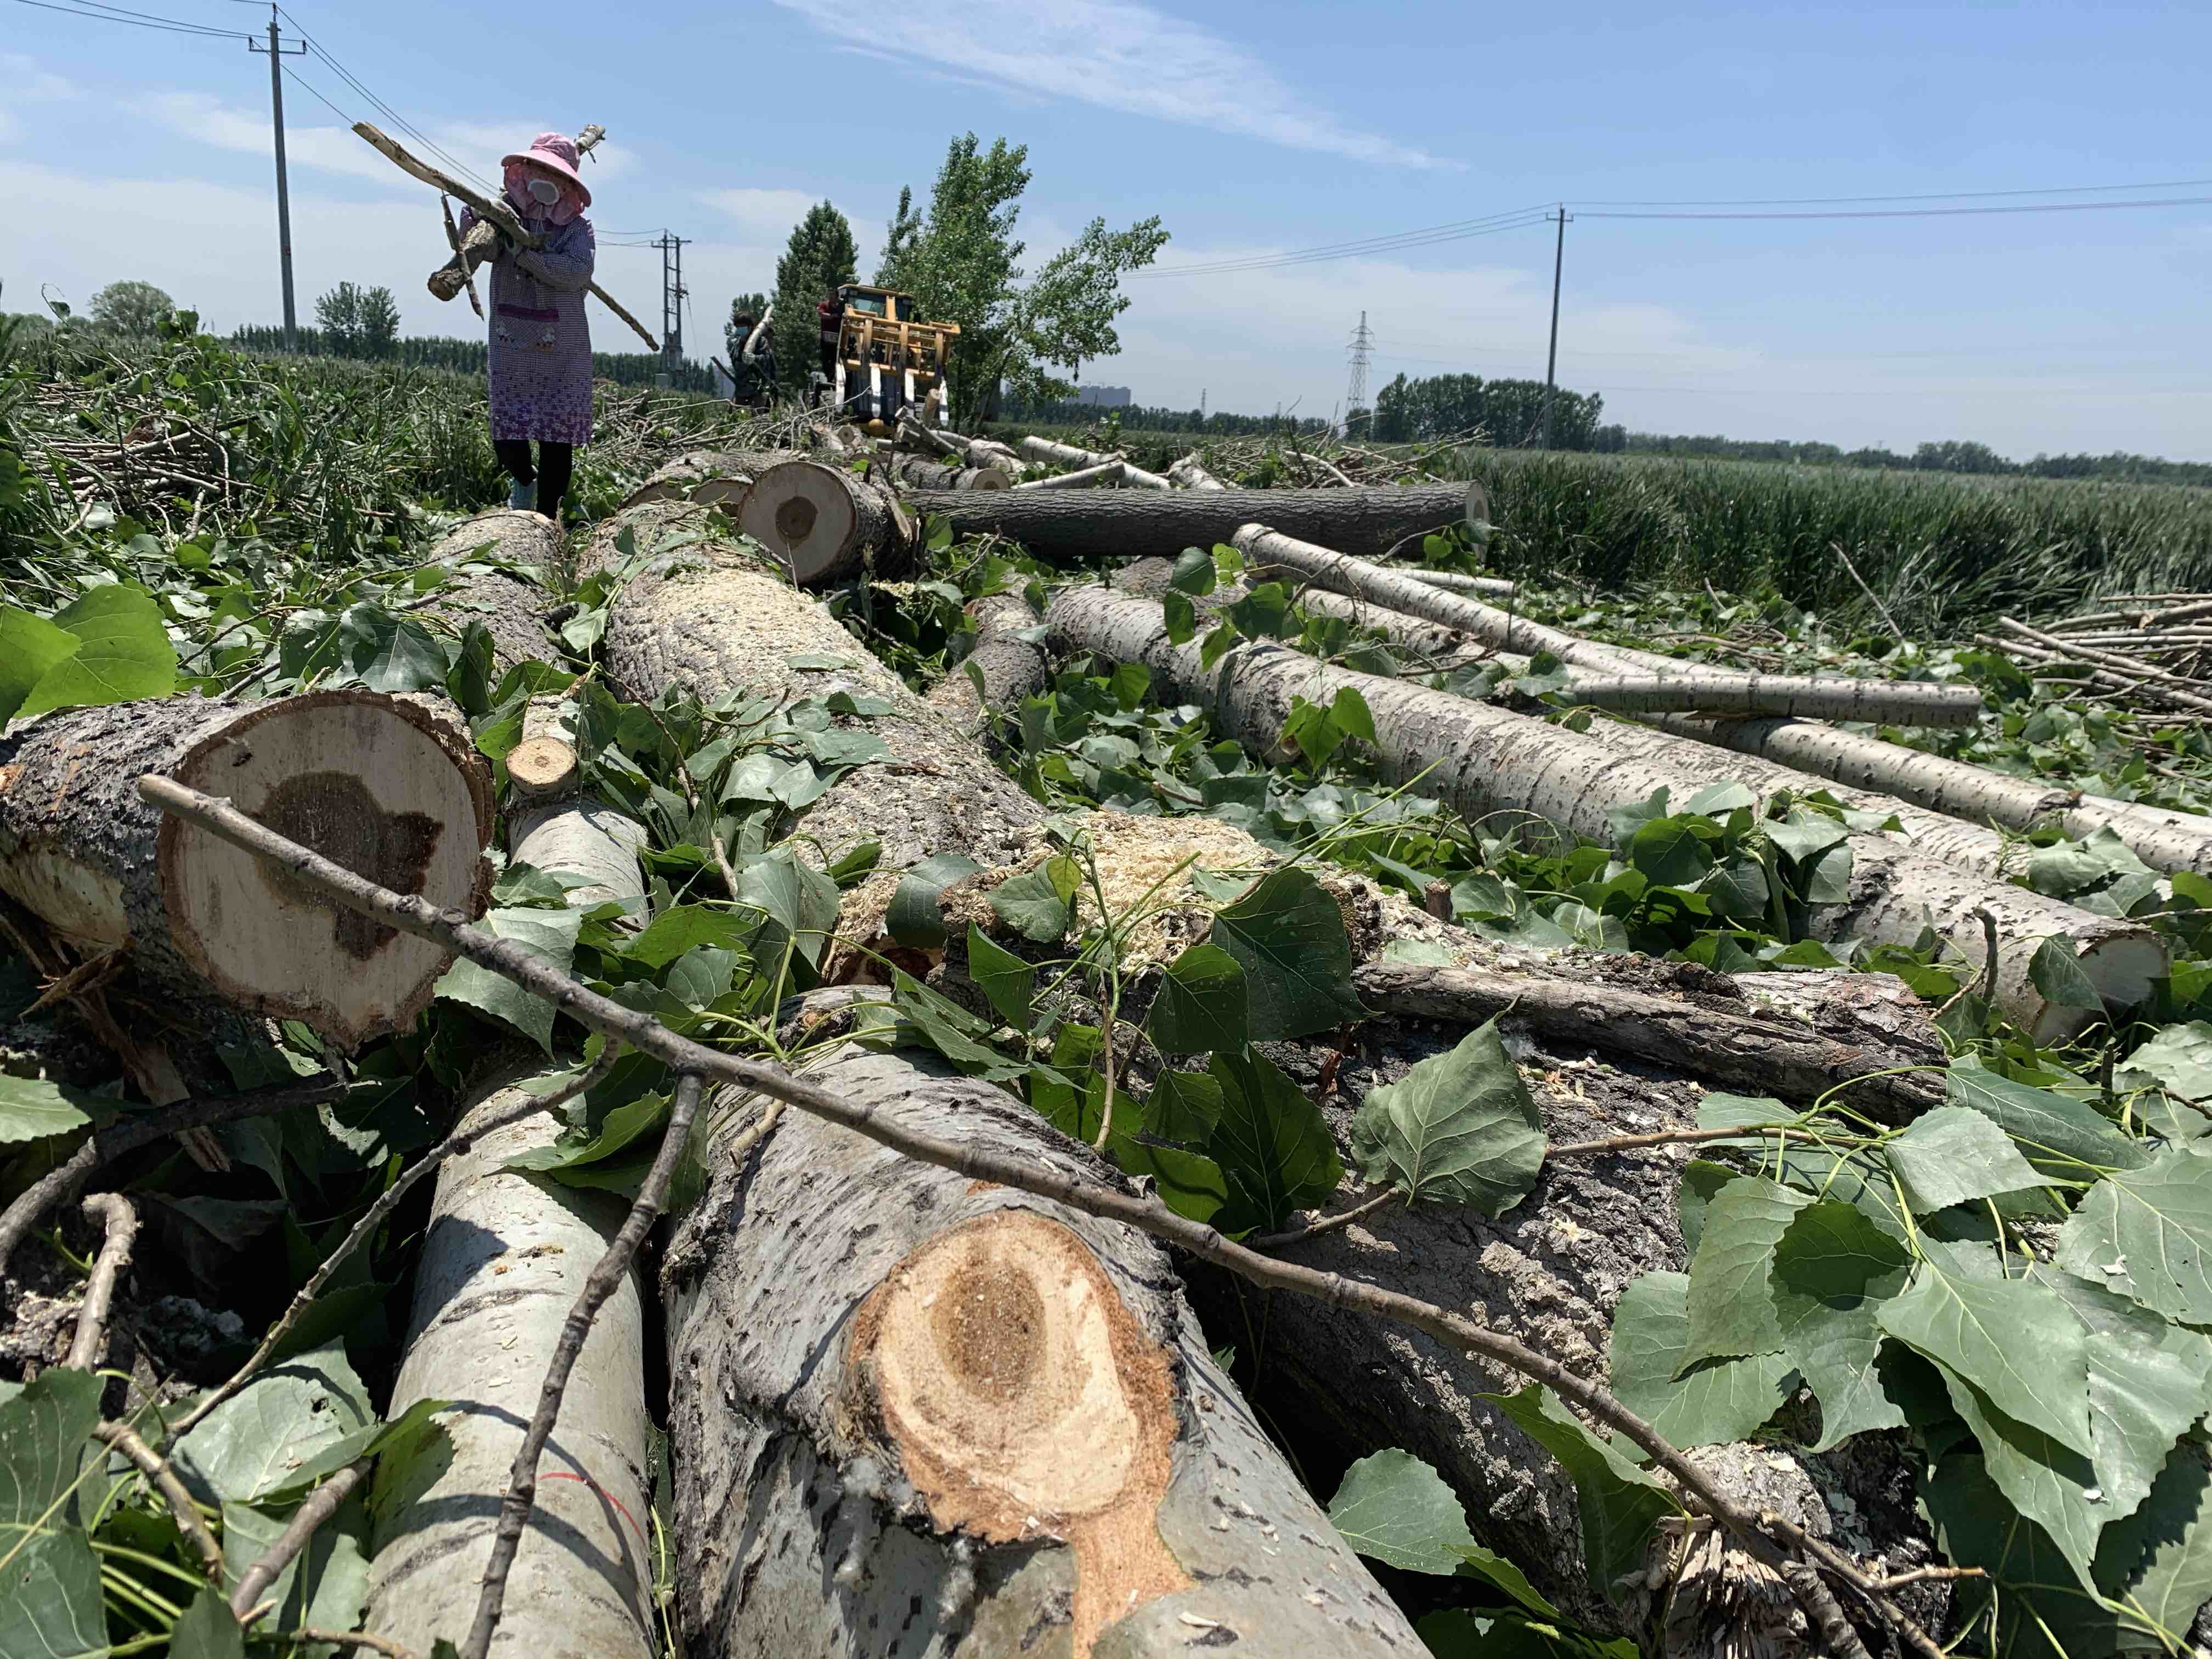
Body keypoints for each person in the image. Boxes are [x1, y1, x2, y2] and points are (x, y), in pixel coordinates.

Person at [461, 132, 596, 522]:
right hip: (512, 339)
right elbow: (473, 248)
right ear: (524, 172)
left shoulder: (577, 230)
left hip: (561, 347)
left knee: (557, 437)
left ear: (567, 185)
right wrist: (477, 219)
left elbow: (575, 272)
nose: (543, 181)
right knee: (509, 432)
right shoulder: (503, 216)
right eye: (537, 170)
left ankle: (548, 517)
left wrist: (524, 254)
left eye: (553, 175)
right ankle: (523, 479)